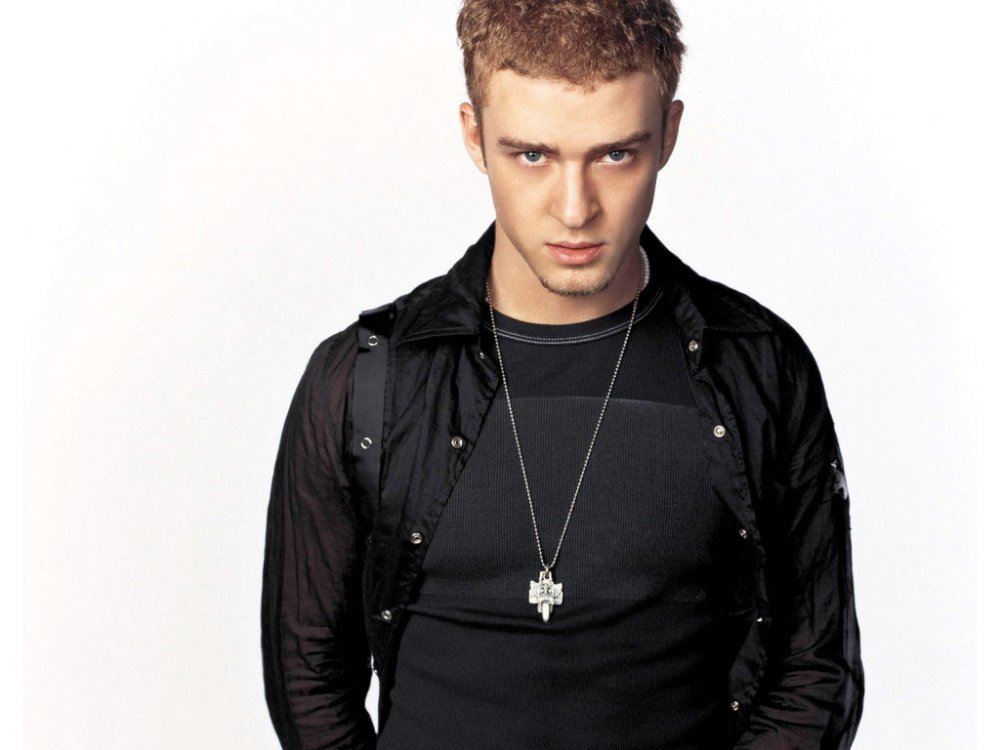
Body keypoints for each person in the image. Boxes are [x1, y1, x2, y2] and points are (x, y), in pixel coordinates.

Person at [260, 1, 864, 748]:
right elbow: (308, 677)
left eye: (615, 155)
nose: (575, 210)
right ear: (474, 136)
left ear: (668, 134)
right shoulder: (363, 381)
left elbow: (815, 672)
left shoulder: (760, 369)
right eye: (532, 156)